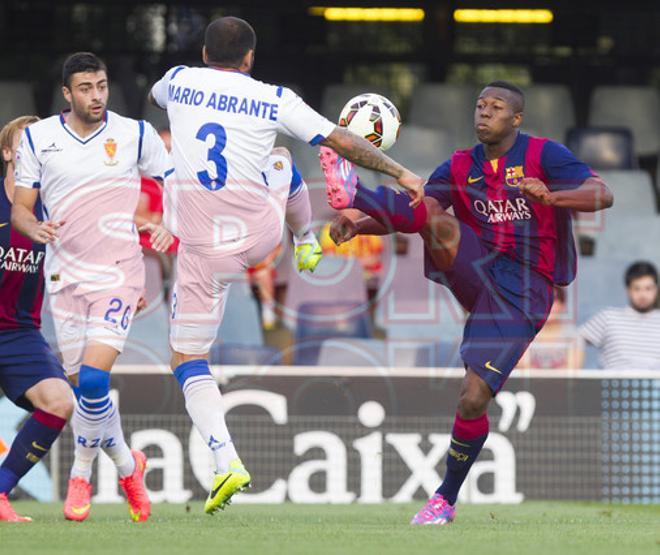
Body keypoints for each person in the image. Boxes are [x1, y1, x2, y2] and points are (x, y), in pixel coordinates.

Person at [148, 15, 423, 514]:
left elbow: (155, 96)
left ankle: (225, 458)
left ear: (206, 54)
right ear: (250, 59)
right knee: (278, 157)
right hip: (259, 237)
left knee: (187, 360)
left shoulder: (181, 81)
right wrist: (400, 171)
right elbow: (340, 138)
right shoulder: (275, 98)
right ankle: (304, 239)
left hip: (200, 251)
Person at [323, 80, 613, 525]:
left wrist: (552, 196)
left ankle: (444, 499)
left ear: (516, 119)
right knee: (432, 216)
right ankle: (353, 192)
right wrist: (359, 222)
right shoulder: (460, 164)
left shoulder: (544, 155)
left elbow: (601, 193)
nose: (484, 113)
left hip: (525, 289)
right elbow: (416, 207)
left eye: (495, 108)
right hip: (476, 269)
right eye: (479, 106)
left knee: (473, 398)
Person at [12, 52, 173, 523]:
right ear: (67, 93)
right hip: (64, 276)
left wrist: (166, 222)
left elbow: (172, 180)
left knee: (96, 378)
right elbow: (22, 206)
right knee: (86, 388)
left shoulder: (134, 133)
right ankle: (128, 463)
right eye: (85, 88)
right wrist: (32, 227)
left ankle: (81, 475)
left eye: (101, 85)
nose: (96, 95)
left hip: (120, 269)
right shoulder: (39, 138)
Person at [0, 116, 74, 522]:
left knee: (60, 401)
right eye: (25, 145)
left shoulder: (56, 211)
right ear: (8, 153)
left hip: (20, 332)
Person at [580, 261, 660, 369]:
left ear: (656, 289)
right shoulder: (608, 318)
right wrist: (572, 380)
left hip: (655, 384)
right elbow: (575, 340)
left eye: (648, 288)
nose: (643, 295)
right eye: (637, 288)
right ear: (628, 290)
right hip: (612, 384)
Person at [519, 286, 584, 369]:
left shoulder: (573, 336)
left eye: (554, 300)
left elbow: (572, 369)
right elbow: (523, 368)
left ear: (563, 306)